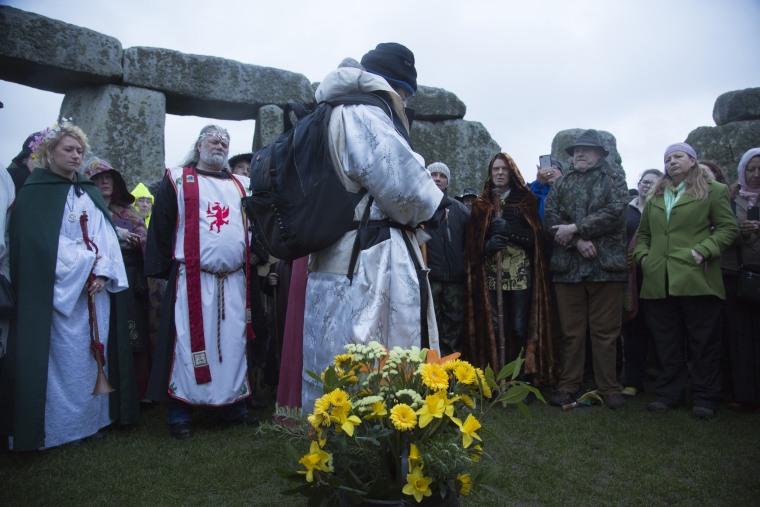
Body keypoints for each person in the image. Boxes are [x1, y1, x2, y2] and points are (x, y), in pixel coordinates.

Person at [301, 43, 444, 408]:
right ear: (386, 84)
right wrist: (435, 207)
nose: (404, 101)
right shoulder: (362, 112)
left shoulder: (328, 112)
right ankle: (373, 453)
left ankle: (333, 447)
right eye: (403, 92)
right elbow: (405, 188)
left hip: (335, 252)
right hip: (368, 260)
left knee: (333, 357)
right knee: (373, 361)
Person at [1, 120, 137, 450]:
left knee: (93, 354)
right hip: (59, 294)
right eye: (69, 150)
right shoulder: (33, 195)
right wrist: (87, 266)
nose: (77, 156)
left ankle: (93, 422)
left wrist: (103, 272)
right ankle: (62, 430)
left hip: (95, 292)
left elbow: (106, 237)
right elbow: (41, 244)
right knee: (62, 361)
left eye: (80, 150)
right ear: (49, 152)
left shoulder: (88, 191)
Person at [144, 125, 258, 438]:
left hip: (234, 281)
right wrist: (161, 268)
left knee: (232, 344)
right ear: (199, 144)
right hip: (192, 282)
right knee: (187, 342)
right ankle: (181, 412)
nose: (220, 143)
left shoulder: (242, 185)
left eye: (225, 140)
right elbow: (162, 224)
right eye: (213, 138)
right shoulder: (177, 179)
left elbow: (256, 226)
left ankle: (233, 406)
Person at [633, 143, 738, 419]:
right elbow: (643, 235)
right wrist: (643, 257)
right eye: (667, 159)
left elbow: (729, 228)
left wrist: (704, 250)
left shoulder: (713, 191)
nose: (671, 162)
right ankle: (670, 394)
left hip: (697, 276)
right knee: (667, 341)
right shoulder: (657, 195)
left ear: (692, 161)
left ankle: (705, 396)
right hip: (659, 278)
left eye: (678, 156)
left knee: (703, 342)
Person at [544, 129, 629, 410]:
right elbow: (551, 217)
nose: (579, 154)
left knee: (606, 332)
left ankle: (608, 387)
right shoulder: (563, 182)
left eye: (586, 150)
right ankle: (568, 384)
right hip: (568, 270)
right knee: (571, 332)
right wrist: (578, 240)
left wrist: (577, 228)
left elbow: (616, 213)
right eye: (576, 150)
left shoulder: (615, 179)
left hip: (606, 269)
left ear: (600, 154)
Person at [463, 152, 558, 386]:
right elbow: (471, 245)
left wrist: (510, 232)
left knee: (517, 326)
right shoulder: (481, 204)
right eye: (495, 169)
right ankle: (496, 377)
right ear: (490, 172)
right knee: (495, 327)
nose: (499, 173)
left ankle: (520, 377)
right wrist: (486, 247)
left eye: (504, 169)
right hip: (491, 277)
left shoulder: (525, 200)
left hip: (520, 274)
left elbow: (536, 238)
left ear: (512, 172)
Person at [84, 157, 152, 400]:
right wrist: (114, 232)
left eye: (109, 177)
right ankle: (104, 395)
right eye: (99, 177)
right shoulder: (85, 208)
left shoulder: (128, 212)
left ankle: (138, 392)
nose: (105, 181)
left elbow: (145, 238)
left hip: (130, 277)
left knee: (135, 335)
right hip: (96, 278)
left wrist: (134, 239)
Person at [720, 147, 760, 410]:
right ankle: (743, 394)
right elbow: (718, 233)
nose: (756, 175)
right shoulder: (731, 199)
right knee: (741, 337)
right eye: (751, 169)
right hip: (740, 275)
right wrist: (740, 232)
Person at [621, 169, 662, 397]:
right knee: (632, 326)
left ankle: (661, 377)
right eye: (644, 181)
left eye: (653, 182)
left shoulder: (663, 207)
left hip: (654, 273)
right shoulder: (627, 208)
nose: (647, 185)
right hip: (629, 275)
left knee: (659, 326)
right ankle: (633, 380)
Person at [426, 162, 470, 356]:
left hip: (455, 280)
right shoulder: (420, 206)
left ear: (447, 181)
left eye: (442, 176)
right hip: (430, 278)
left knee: (454, 326)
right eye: (433, 174)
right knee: (430, 325)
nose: (437, 178)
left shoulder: (460, 210)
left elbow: (471, 240)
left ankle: (452, 370)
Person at [528, 157, 563, 222]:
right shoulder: (534, 189)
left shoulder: (571, 188)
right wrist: (538, 183)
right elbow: (525, 203)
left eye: (554, 167)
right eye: (545, 169)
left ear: (561, 172)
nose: (550, 171)